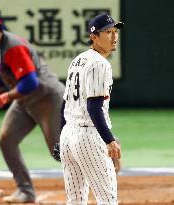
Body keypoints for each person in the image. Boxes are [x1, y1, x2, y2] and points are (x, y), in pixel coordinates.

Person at [0, 9, 65, 203]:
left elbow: (31, 83)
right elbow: (0, 75)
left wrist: (4, 98)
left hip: (47, 98)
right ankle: (26, 192)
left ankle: (106, 149)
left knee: (59, 152)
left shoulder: (12, 46)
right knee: (6, 139)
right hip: (24, 100)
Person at [59, 14, 124, 205]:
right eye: (107, 32)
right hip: (88, 137)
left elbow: (65, 103)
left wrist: (60, 135)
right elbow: (94, 107)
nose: (114, 37)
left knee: (76, 200)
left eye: (115, 31)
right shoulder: (99, 63)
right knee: (108, 200)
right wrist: (109, 140)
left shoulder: (78, 60)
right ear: (94, 36)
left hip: (68, 137)